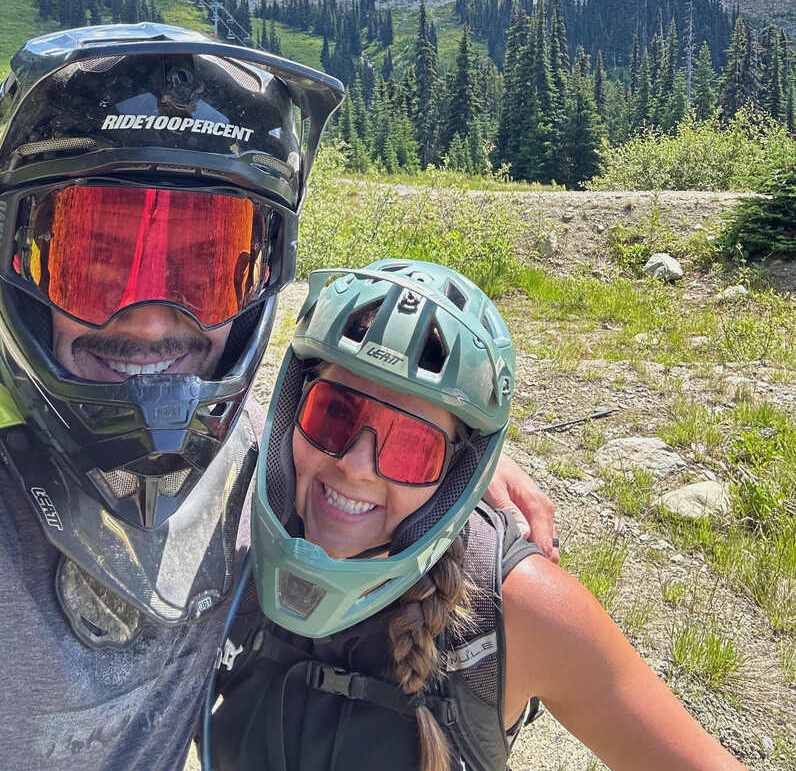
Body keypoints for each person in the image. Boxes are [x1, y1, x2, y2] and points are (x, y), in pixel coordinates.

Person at [0, 23, 554, 771]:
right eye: (94, 263)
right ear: (14, 256)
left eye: (205, 269)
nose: (149, 316)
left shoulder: (255, 483)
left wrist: (444, 460)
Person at [210, 260, 749, 771]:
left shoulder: (518, 605)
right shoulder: (222, 527)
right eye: (334, 414)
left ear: (457, 475)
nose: (355, 466)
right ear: (291, 410)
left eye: (411, 449)